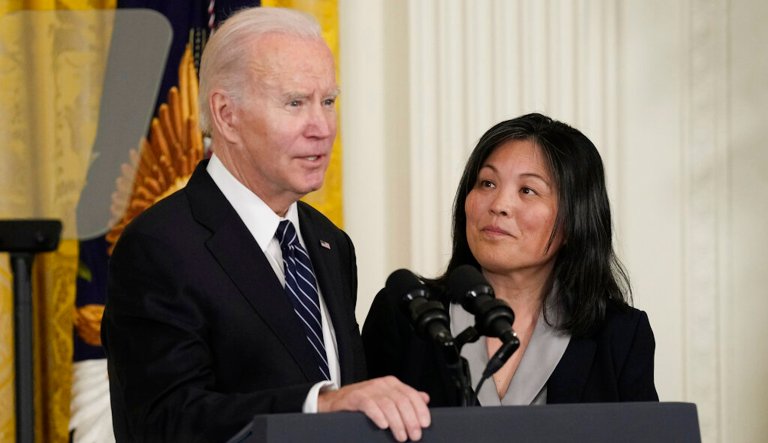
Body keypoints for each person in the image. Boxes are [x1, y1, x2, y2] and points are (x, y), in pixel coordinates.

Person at [101, 7, 429, 442]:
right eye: (295, 103)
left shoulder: (331, 244)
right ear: (226, 114)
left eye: (328, 102)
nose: (322, 128)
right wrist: (318, 405)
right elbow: (166, 421)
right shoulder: (161, 246)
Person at [363, 113, 658, 407]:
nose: (499, 205)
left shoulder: (619, 335)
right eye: (487, 183)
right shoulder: (406, 314)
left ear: (574, 220)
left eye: (527, 190)